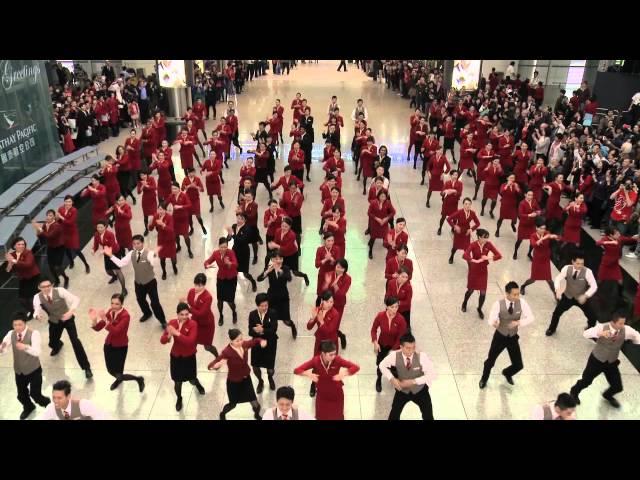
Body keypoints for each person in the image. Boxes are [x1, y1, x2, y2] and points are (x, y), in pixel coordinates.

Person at [570, 311, 640, 408]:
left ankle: (607, 395)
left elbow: (637, 335)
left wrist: (637, 341)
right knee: (586, 381)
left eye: (624, 323)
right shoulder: (602, 327)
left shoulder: (626, 330)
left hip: (611, 362)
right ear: (613, 322)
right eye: (620, 323)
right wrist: (599, 333)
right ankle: (574, 392)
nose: (622, 325)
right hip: (597, 360)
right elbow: (585, 334)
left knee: (617, 386)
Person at [33, 278, 92, 378]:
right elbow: (36, 309)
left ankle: (86, 368)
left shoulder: (60, 291)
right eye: (43, 287)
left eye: (48, 286)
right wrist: (36, 315)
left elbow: (76, 299)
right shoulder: (37, 297)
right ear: (39, 288)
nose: (46, 288)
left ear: (52, 285)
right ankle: (57, 345)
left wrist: (70, 312)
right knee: (52, 342)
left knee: (75, 341)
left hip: (68, 319)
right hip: (54, 321)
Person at [479, 282, 534, 389]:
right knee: (490, 361)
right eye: (514, 294)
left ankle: (507, 372)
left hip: (513, 337)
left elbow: (531, 317)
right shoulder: (498, 304)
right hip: (500, 336)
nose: (517, 296)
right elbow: (491, 318)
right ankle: (484, 379)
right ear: (507, 294)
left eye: (518, 294)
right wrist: (494, 322)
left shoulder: (522, 303)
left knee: (518, 365)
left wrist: (519, 323)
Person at [89, 293, 145, 392]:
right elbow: (98, 328)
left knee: (118, 372)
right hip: (109, 344)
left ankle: (138, 379)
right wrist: (94, 320)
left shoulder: (125, 316)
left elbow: (116, 331)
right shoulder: (111, 311)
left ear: (122, 304)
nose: (114, 306)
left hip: (120, 346)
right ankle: (119, 379)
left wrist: (105, 319)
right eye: (112, 303)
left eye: (117, 304)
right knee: (110, 370)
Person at [208, 328, 267, 420]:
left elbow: (254, 341)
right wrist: (214, 366)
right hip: (234, 382)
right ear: (231, 341)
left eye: (241, 339)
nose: (240, 342)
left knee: (255, 403)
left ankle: (256, 415)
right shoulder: (227, 352)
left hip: (246, 379)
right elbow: (213, 364)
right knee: (232, 404)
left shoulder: (244, 344)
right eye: (237, 341)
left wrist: (261, 341)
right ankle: (222, 414)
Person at [0, 313, 51, 419]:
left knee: (35, 395)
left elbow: (37, 352)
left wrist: (25, 347)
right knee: (21, 395)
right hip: (19, 371)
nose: (17, 327)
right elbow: (4, 349)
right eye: (15, 325)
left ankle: (49, 405)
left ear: (25, 323)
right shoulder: (11, 334)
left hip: (34, 370)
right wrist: (2, 349)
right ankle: (29, 407)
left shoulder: (34, 334)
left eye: (20, 324)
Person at [294, 340, 360, 420]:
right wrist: (308, 374)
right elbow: (297, 370)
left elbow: (355, 367)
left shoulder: (337, 360)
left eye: (334, 354)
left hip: (336, 395)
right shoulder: (315, 361)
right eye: (331, 355)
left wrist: (344, 373)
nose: (333, 357)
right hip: (322, 395)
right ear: (323, 353)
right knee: (321, 417)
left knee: (337, 417)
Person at [378, 333, 437, 420]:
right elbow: (382, 365)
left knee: (428, 416)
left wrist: (414, 381)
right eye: (408, 348)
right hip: (402, 391)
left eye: (413, 347)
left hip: (420, 391)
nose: (411, 351)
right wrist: (392, 379)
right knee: (393, 416)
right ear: (401, 347)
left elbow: (432, 374)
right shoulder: (394, 355)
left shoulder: (422, 357)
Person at [160, 302, 206, 412]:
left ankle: (198, 384)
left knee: (192, 379)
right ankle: (179, 398)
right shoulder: (172, 323)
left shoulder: (193, 324)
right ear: (177, 314)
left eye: (186, 314)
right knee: (177, 381)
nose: (184, 317)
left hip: (189, 356)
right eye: (181, 314)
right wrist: (169, 335)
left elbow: (190, 342)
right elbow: (162, 340)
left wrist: (177, 333)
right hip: (176, 356)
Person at [546, 251, 598, 336]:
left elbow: (594, 286)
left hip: (581, 298)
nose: (580, 266)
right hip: (567, 296)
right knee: (556, 313)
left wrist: (585, 295)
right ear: (572, 262)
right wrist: (558, 289)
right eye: (578, 263)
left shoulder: (588, 272)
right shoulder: (567, 268)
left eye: (582, 264)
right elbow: (558, 278)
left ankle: (590, 330)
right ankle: (552, 329)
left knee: (592, 316)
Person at [461, 229, 502, 319]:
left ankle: (479, 308)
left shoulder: (488, 244)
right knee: (470, 290)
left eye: (487, 238)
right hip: (474, 269)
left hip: (483, 270)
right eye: (484, 238)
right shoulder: (473, 245)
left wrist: (488, 257)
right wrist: (474, 260)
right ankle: (464, 303)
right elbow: (465, 255)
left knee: (483, 292)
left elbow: (499, 255)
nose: (486, 240)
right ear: (479, 237)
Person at [257, 250, 298, 338]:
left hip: (283, 297)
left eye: (281, 258)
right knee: (271, 318)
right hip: (271, 297)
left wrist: (279, 271)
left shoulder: (285, 268)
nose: (279, 261)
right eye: (276, 259)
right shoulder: (269, 268)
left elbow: (289, 278)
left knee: (286, 320)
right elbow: (259, 279)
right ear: (272, 259)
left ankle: (293, 326)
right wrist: (266, 272)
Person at [371, 297, 408, 393]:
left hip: (395, 347)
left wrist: (392, 351)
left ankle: (395, 381)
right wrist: (375, 342)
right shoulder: (380, 316)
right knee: (380, 364)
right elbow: (374, 329)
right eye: (392, 307)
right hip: (382, 345)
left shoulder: (401, 320)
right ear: (387, 307)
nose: (395, 309)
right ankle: (379, 380)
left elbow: (401, 337)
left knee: (394, 366)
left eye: (396, 307)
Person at [204, 237, 239, 326]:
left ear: (227, 246)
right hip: (221, 278)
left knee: (230, 300)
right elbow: (207, 261)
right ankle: (221, 316)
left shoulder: (231, 252)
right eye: (221, 247)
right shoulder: (215, 253)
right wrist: (207, 265)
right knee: (220, 300)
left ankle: (234, 312)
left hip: (231, 278)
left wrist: (230, 263)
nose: (223, 249)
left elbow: (236, 264)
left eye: (225, 247)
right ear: (218, 246)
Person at [248, 293, 278, 393]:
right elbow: (250, 331)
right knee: (255, 366)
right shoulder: (252, 314)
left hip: (270, 343)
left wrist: (262, 330)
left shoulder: (272, 313)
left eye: (266, 305)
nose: (264, 307)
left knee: (270, 369)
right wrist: (257, 331)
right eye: (262, 306)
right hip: (256, 343)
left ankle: (270, 377)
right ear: (257, 305)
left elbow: (274, 329)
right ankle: (260, 381)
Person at [520, 222, 560, 297]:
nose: (543, 230)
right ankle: (523, 286)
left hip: (545, 259)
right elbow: (534, 244)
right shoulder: (533, 236)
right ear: (536, 228)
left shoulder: (547, 233)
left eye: (544, 228)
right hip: (537, 260)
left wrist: (555, 237)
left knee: (549, 279)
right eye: (541, 228)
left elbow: (556, 237)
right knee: (533, 279)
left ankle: (556, 296)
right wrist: (544, 238)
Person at [183, 273, 218, 357]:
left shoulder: (208, 297)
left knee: (207, 346)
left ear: (204, 285)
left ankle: (217, 357)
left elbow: (201, 313)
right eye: (195, 285)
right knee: (192, 342)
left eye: (200, 285)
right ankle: (190, 359)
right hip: (195, 322)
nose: (197, 288)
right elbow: (188, 303)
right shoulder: (191, 291)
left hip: (206, 324)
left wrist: (188, 308)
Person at [31, 209, 69, 288]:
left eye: (50, 215)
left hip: (59, 248)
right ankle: (57, 280)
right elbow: (41, 235)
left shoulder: (57, 226)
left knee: (58, 266)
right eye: (47, 215)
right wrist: (37, 230)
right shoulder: (45, 225)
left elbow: (49, 236)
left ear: (54, 217)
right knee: (51, 266)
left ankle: (66, 278)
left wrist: (40, 229)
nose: (48, 217)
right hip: (51, 247)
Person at [5, 237, 40, 318]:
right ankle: (32, 310)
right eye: (19, 244)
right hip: (23, 278)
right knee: (22, 299)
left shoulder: (28, 253)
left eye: (23, 244)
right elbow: (8, 270)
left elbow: (28, 265)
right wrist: (10, 263)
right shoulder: (12, 255)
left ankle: (39, 311)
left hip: (33, 276)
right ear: (14, 246)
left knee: (31, 297)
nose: (21, 246)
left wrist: (14, 261)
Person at [268, 216, 310, 285]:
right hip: (282, 255)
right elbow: (276, 241)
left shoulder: (292, 235)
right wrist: (272, 245)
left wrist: (275, 245)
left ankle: (304, 276)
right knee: (281, 269)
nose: (283, 228)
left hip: (292, 255)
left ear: (290, 227)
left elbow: (287, 248)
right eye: (282, 225)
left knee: (295, 272)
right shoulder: (278, 231)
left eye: (286, 226)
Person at [321, 258, 352, 349]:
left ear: (345, 269)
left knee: (334, 326)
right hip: (327, 305)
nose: (339, 269)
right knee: (326, 324)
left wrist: (334, 284)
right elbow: (323, 290)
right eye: (338, 267)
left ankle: (340, 337)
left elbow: (341, 294)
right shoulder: (329, 274)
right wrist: (327, 284)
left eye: (342, 268)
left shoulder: (347, 278)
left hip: (338, 305)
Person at [38, 380, 108, 420]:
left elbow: (100, 416)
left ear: (68, 396)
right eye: (54, 397)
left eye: (59, 398)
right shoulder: (51, 408)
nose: (55, 401)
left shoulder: (83, 405)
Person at [92, 219, 127, 297]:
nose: (99, 229)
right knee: (108, 271)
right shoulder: (96, 235)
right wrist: (93, 250)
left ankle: (124, 289)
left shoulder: (110, 234)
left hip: (115, 252)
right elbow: (96, 244)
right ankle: (114, 277)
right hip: (107, 254)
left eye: (101, 227)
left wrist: (103, 251)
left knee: (118, 271)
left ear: (105, 227)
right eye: (98, 227)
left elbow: (112, 246)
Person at [57, 195, 91, 274]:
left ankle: (86, 264)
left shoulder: (74, 210)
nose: (68, 203)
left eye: (69, 201)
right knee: (67, 249)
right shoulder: (60, 209)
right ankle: (71, 262)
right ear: (64, 202)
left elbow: (70, 222)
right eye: (66, 201)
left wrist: (61, 217)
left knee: (76, 250)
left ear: (72, 202)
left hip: (72, 233)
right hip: (64, 233)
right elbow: (59, 222)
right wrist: (57, 218)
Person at [225, 213, 258, 292]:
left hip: (243, 252)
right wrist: (229, 235)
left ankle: (253, 282)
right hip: (235, 250)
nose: (239, 220)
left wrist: (232, 234)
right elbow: (229, 238)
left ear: (245, 220)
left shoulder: (247, 229)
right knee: (233, 268)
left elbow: (242, 241)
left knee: (245, 273)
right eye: (238, 218)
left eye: (241, 219)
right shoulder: (234, 226)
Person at [447, 198, 480, 264]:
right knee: (455, 247)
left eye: (469, 204)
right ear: (463, 205)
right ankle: (452, 256)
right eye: (466, 204)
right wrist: (455, 226)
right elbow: (449, 219)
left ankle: (469, 265)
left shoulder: (472, 213)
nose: (468, 205)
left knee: (467, 249)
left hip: (466, 233)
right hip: (459, 233)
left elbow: (478, 223)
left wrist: (471, 229)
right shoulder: (459, 212)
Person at [367, 189, 396, 259]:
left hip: (384, 224)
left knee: (385, 236)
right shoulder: (373, 202)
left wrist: (386, 218)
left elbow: (393, 212)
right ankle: (370, 250)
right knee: (373, 238)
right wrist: (377, 218)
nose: (383, 198)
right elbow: (369, 213)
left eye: (384, 197)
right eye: (381, 196)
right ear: (378, 196)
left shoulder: (388, 203)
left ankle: (385, 246)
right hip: (375, 224)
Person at [167, 182, 193, 258]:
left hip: (183, 219)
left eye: (175, 188)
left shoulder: (184, 195)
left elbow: (189, 205)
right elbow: (165, 203)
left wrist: (180, 207)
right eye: (172, 189)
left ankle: (189, 250)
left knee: (186, 236)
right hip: (174, 219)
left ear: (179, 189)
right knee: (176, 235)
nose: (173, 190)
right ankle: (178, 246)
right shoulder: (171, 196)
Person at [513, 190, 541, 260]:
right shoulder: (522, 203)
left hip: (532, 225)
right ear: (525, 195)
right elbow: (520, 214)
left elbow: (539, 210)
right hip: (524, 225)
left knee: (532, 241)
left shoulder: (534, 201)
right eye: (529, 195)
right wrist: (529, 215)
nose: (530, 197)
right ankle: (515, 251)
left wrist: (537, 213)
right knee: (519, 240)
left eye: (531, 195)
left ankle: (529, 253)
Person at [181, 168, 208, 236]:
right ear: (188, 173)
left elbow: (202, 189)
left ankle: (202, 226)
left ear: (194, 172)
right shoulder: (185, 179)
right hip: (187, 200)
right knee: (189, 216)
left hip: (195, 200)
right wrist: (189, 186)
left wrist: (195, 186)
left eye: (192, 172)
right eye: (189, 173)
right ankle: (192, 228)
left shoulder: (197, 179)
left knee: (198, 215)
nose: (191, 174)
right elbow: (182, 188)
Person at [437, 170, 463, 235]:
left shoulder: (460, 184)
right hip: (446, 203)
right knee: (443, 217)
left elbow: (459, 193)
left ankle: (453, 228)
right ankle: (440, 228)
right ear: (450, 175)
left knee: (455, 218)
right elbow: (441, 193)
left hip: (454, 204)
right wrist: (445, 192)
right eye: (454, 175)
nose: (455, 176)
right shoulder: (447, 183)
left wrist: (454, 191)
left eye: (456, 175)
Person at [137, 170, 158, 235]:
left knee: (155, 215)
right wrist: (143, 186)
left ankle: (158, 228)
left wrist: (147, 185)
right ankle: (146, 229)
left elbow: (154, 187)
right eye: (141, 175)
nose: (143, 176)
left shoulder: (151, 178)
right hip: (145, 200)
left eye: (144, 174)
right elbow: (138, 192)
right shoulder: (140, 182)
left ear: (147, 174)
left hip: (152, 199)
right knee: (145, 216)